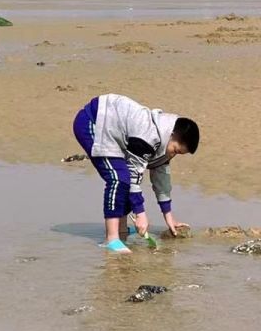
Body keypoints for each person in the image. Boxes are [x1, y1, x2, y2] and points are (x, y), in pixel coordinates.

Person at [72, 93, 199, 252]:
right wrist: (140, 214)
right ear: (172, 135)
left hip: (114, 133)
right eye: (175, 150)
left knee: (125, 177)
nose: (173, 155)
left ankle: (121, 230)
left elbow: (162, 181)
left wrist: (169, 218)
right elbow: (133, 176)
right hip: (93, 121)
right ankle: (111, 239)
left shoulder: (164, 144)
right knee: (119, 179)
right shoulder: (148, 136)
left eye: (178, 154)